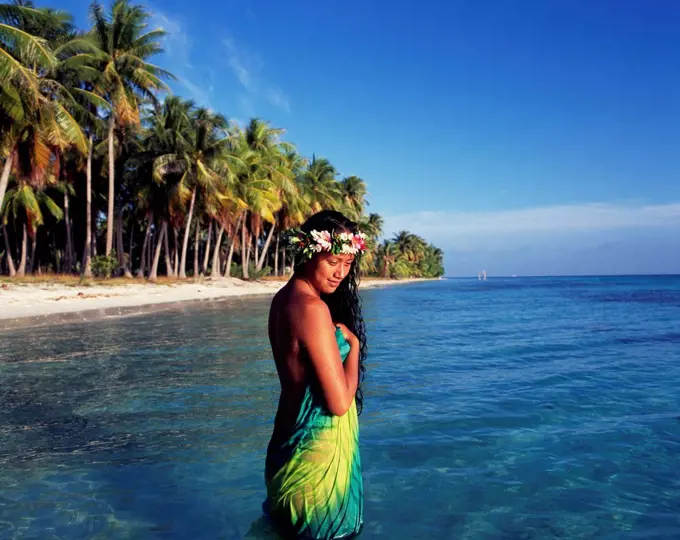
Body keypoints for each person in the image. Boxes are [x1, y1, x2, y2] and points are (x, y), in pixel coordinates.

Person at [263, 210, 368, 539]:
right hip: (314, 463)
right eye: (334, 261)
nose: (341, 273)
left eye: (348, 264)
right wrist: (354, 348)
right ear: (310, 252)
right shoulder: (312, 309)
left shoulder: (283, 300)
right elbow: (338, 403)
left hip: (288, 446)